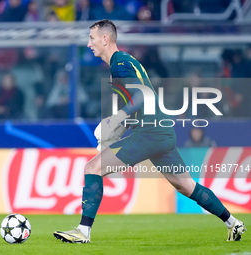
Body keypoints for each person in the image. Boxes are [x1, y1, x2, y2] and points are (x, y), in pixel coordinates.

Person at [53, 19, 246, 243]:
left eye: (91, 38)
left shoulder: (119, 64)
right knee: (186, 185)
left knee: (92, 167)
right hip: (161, 131)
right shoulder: (126, 61)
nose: (89, 44)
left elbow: (142, 96)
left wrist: (116, 118)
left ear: (105, 39)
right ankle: (233, 223)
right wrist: (119, 128)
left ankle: (83, 232)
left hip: (150, 133)